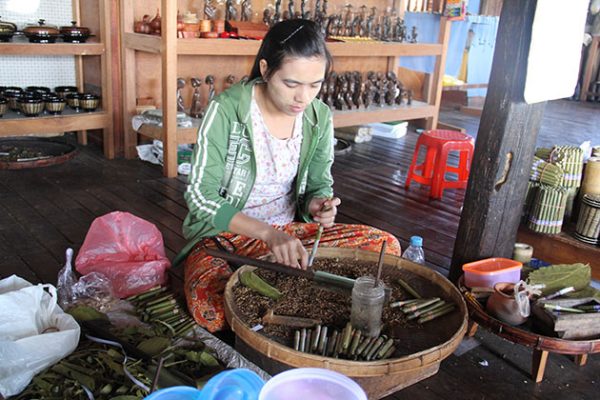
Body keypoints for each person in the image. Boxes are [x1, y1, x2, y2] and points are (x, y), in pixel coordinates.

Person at [176, 19, 401, 332]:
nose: (303, 98)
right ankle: (289, 290)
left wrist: (318, 204)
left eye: (315, 85)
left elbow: (320, 183)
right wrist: (268, 234)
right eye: (291, 84)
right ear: (266, 70)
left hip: (291, 238)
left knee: (385, 247)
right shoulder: (227, 110)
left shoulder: (318, 116)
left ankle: (272, 291)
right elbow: (201, 199)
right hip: (226, 239)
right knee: (210, 310)